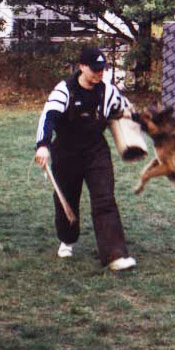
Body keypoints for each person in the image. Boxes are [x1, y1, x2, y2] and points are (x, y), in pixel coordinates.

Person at [34, 47, 137, 271]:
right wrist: (43, 145)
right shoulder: (64, 91)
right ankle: (67, 240)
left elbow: (122, 108)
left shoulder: (108, 91)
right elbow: (48, 117)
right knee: (67, 200)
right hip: (66, 152)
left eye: (103, 69)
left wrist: (138, 118)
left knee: (105, 198)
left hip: (95, 151)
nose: (99, 74)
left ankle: (115, 255)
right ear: (81, 67)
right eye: (95, 69)